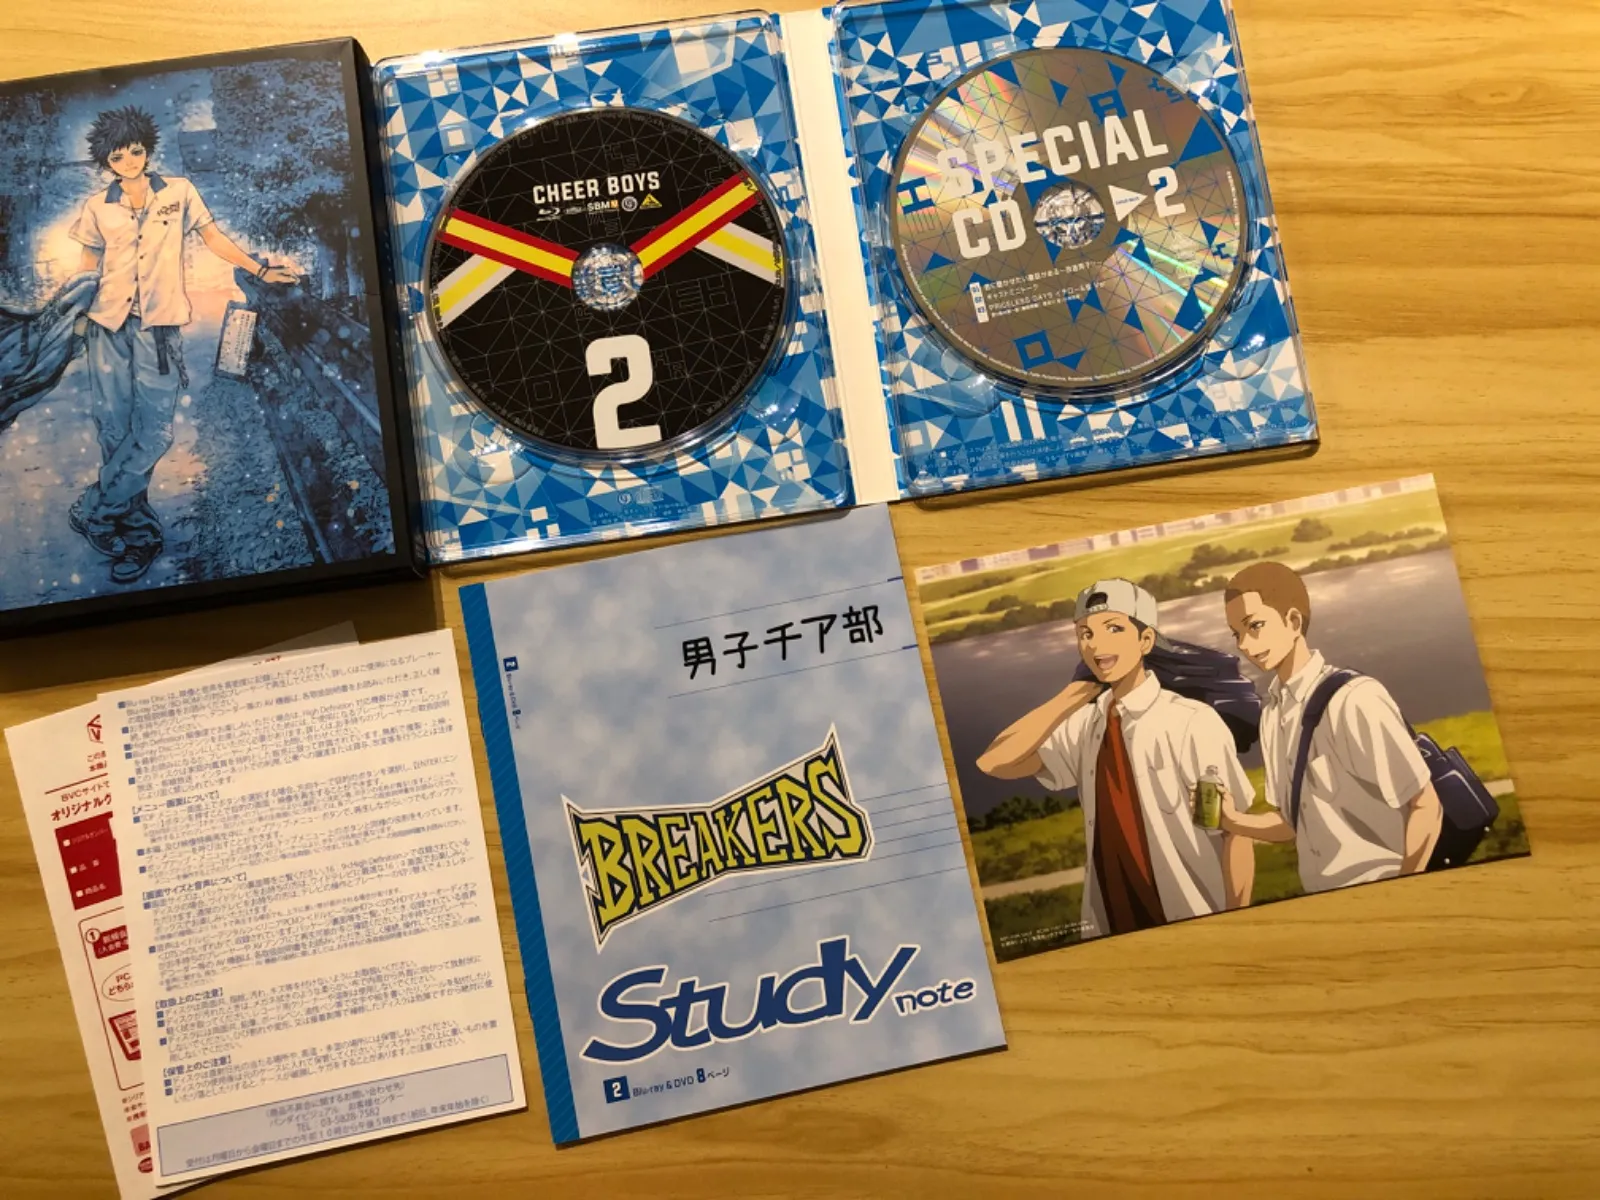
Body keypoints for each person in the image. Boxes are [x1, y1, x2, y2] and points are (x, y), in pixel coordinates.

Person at [67, 105, 296, 584]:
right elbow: (88, 269)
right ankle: (137, 534)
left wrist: (259, 269)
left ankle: (94, 509)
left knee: (154, 434)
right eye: (117, 156)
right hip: (106, 329)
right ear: (106, 161)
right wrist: (75, 319)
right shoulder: (97, 207)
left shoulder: (179, 192)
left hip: (159, 330)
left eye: (135, 151)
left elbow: (213, 238)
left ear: (147, 149)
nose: (129, 161)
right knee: (114, 432)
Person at [978, 579, 1255, 940]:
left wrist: (1236, 925)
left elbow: (1233, 832)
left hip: (1192, 920)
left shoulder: (1191, 722)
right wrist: (1071, 697)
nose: (1096, 645)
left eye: (1113, 629)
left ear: (1145, 640)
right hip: (1109, 928)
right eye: (1085, 633)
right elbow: (995, 762)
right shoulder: (1083, 724)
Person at [1219, 561, 1443, 892]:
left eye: (1255, 626)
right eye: (1237, 633)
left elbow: (1425, 804)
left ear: (1293, 621)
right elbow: (1292, 823)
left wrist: (1406, 890)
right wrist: (1234, 821)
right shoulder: (1272, 714)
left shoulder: (1354, 699)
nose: (1243, 645)